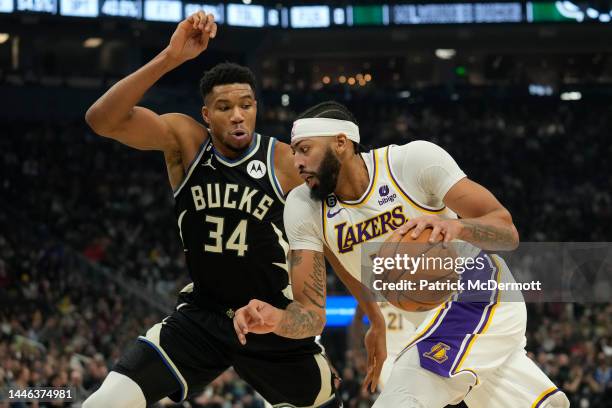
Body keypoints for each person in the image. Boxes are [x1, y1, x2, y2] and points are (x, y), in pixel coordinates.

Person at [82, 12, 349, 408]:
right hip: (202, 316)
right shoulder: (185, 142)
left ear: (257, 107)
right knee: (102, 403)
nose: (237, 115)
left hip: (273, 323)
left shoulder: (286, 164)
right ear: (206, 116)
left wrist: (373, 317)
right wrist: (170, 58)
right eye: (224, 107)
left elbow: (331, 253)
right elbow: (102, 120)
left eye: (245, 105)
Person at [233, 101, 571, 408]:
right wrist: (277, 319)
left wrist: (457, 228)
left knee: (401, 398)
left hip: (480, 292)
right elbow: (313, 313)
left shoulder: (411, 162)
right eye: (293, 153)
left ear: (340, 143)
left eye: (305, 149)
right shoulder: (303, 206)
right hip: (422, 319)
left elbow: (506, 230)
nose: (297, 162)